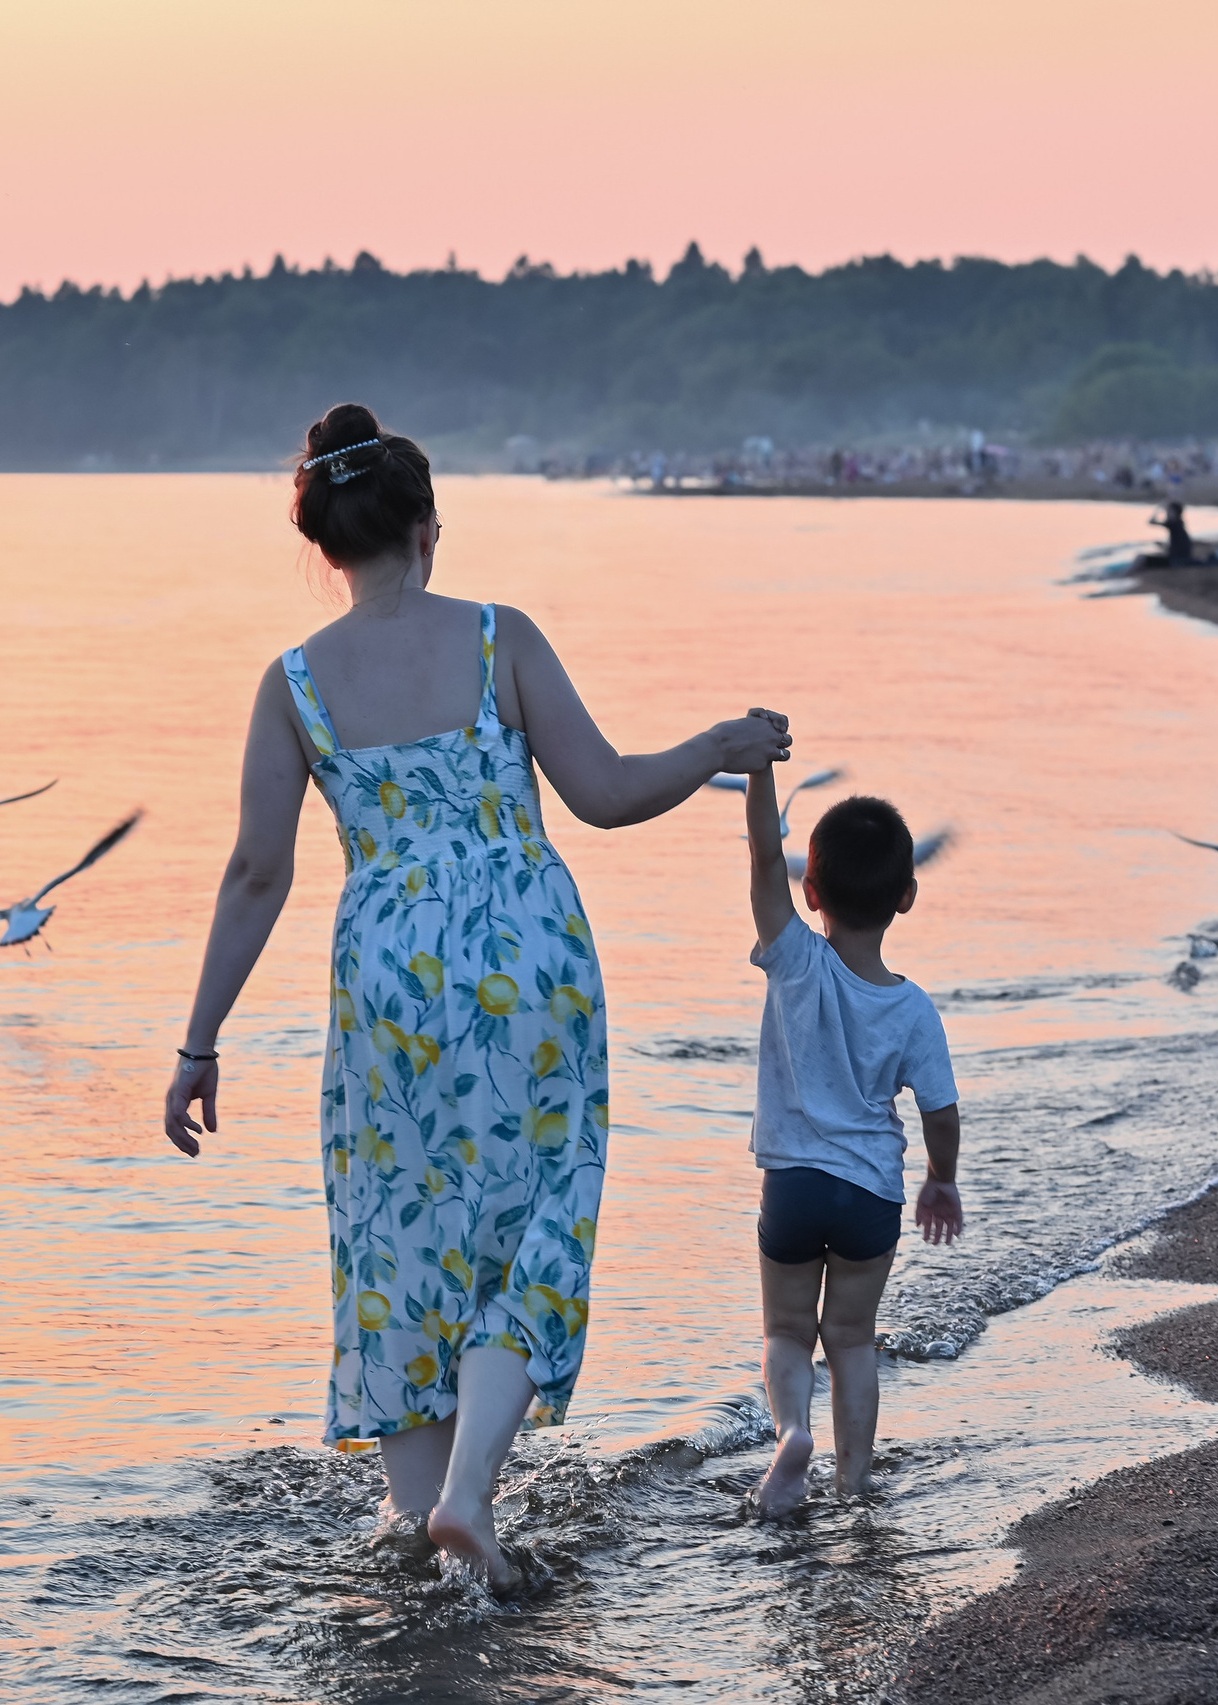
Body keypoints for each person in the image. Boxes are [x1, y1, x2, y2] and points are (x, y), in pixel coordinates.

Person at [163, 402, 793, 1587]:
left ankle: (432, 1539)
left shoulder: (293, 683)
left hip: (389, 978)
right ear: (426, 529)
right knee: (538, 1222)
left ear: (329, 546)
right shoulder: (500, 639)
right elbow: (603, 792)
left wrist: (199, 1039)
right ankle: (466, 1505)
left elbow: (258, 869)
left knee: (400, 1241)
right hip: (528, 960)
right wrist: (715, 744)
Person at [739, 777, 962, 1519]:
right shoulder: (913, 1008)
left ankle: (793, 1433)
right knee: (853, 1340)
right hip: (870, 1194)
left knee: (786, 1330)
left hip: (794, 1186)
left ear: (812, 890)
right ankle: (854, 1482)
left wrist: (761, 772)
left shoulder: (795, 959)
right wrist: (941, 1180)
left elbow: (764, 864)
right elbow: (940, 1110)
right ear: (907, 896)